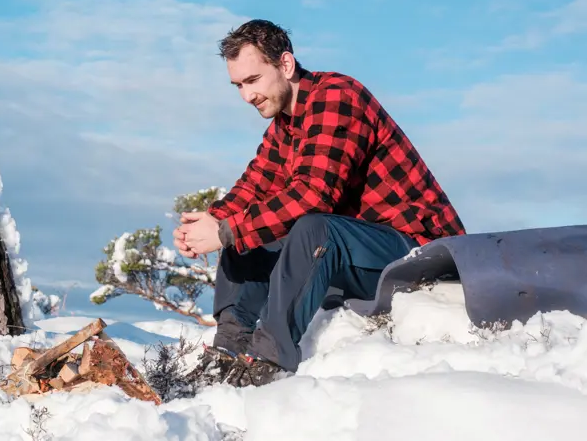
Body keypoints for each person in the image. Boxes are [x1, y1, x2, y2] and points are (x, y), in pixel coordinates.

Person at [174, 19, 465, 387]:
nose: (246, 96)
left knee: (309, 225)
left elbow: (314, 195)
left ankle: (270, 361)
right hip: (360, 253)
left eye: (253, 80)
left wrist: (228, 230)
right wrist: (211, 221)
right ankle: (230, 351)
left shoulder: (337, 97)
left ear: (286, 65)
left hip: (417, 252)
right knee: (248, 228)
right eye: (238, 86)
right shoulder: (285, 125)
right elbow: (255, 185)